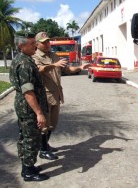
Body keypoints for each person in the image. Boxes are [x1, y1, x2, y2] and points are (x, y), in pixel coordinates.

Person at [32, 32, 90, 160]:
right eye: (44, 42)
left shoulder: (54, 55)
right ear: (37, 44)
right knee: (44, 125)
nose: (47, 44)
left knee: (53, 124)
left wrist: (80, 67)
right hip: (44, 97)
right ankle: (42, 150)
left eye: (48, 41)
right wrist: (54, 65)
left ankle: (45, 145)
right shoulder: (35, 56)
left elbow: (67, 70)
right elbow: (39, 69)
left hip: (56, 95)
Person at [9, 33, 49, 182]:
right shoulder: (25, 63)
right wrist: (39, 113)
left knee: (25, 137)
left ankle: (28, 166)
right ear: (21, 46)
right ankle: (28, 171)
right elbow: (28, 91)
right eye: (32, 44)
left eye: (35, 43)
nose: (35, 46)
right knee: (31, 139)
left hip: (24, 107)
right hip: (29, 109)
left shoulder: (22, 59)